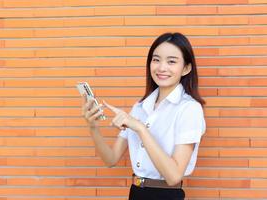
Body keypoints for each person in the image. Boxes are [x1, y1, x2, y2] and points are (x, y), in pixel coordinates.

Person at [81, 32, 206, 200]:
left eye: (171, 61)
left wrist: (140, 128)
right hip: (136, 193)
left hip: (166, 195)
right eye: (156, 60)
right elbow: (111, 159)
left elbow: (174, 176)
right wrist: (93, 126)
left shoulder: (189, 109)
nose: (161, 67)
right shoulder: (140, 107)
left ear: (186, 68)